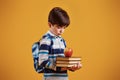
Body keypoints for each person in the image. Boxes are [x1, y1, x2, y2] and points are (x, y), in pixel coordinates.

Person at [38, 7, 82, 80]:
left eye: (64, 27)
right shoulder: (46, 40)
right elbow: (42, 61)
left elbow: (63, 63)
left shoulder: (63, 41)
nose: (62, 31)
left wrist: (72, 67)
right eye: (59, 27)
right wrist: (58, 68)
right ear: (49, 25)